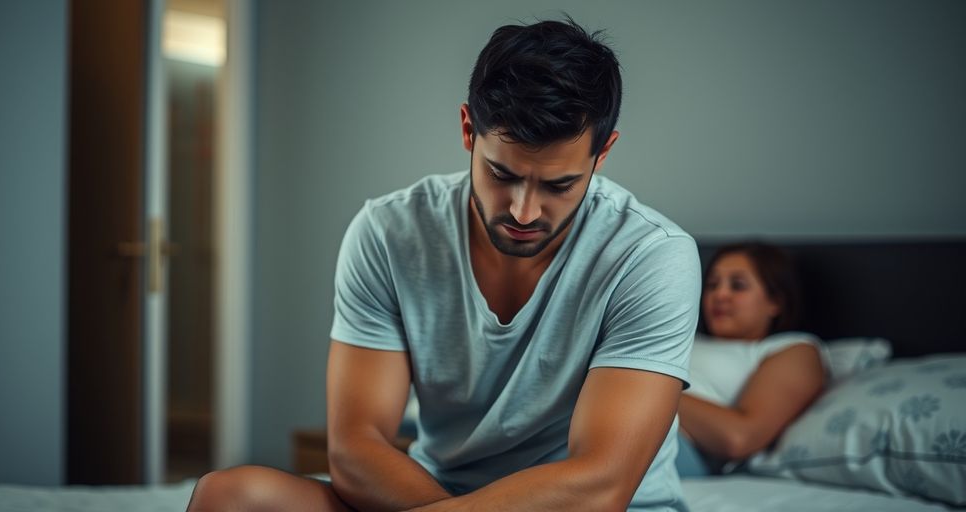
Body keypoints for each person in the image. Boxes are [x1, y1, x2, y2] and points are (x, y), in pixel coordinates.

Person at [187, 17, 702, 511]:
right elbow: (356, 449)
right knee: (228, 497)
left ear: (602, 153)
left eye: (558, 185)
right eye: (501, 174)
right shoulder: (389, 233)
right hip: (426, 494)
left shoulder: (651, 257)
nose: (524, 211)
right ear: (467, 130)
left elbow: (598, 487)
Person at [674, 242, 826, 477]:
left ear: (775, 301)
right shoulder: (684, 337)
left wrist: (647, 387)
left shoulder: (793, 349)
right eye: (713, 285)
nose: (720, 295)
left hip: (674, 443)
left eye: (738, 286)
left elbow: (739, 437)